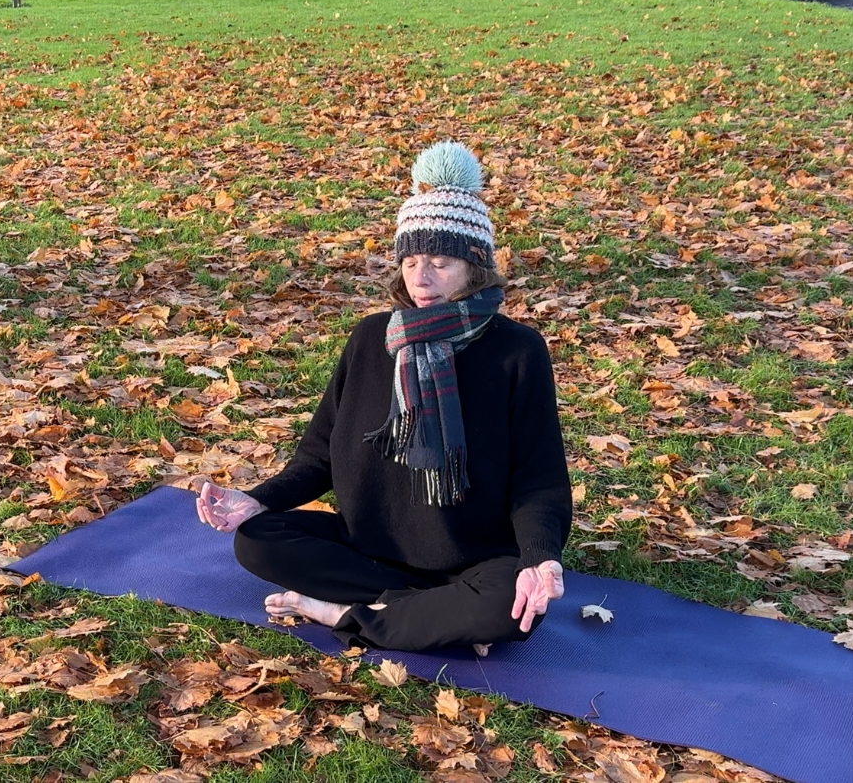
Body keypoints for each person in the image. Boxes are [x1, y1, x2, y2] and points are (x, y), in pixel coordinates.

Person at [196, 142, 572, 655]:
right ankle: (432, 613)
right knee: (256, 539)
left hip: (476, 558)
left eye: (441, 262)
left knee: (513, 608)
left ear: (475, 267)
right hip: (368, 550)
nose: (421, 278)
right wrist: (257, 500)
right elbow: (319, 455)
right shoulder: (374, 339)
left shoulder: (516, 350)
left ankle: (335, 612)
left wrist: (539, 558)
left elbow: (539, 477)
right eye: (412, 260)